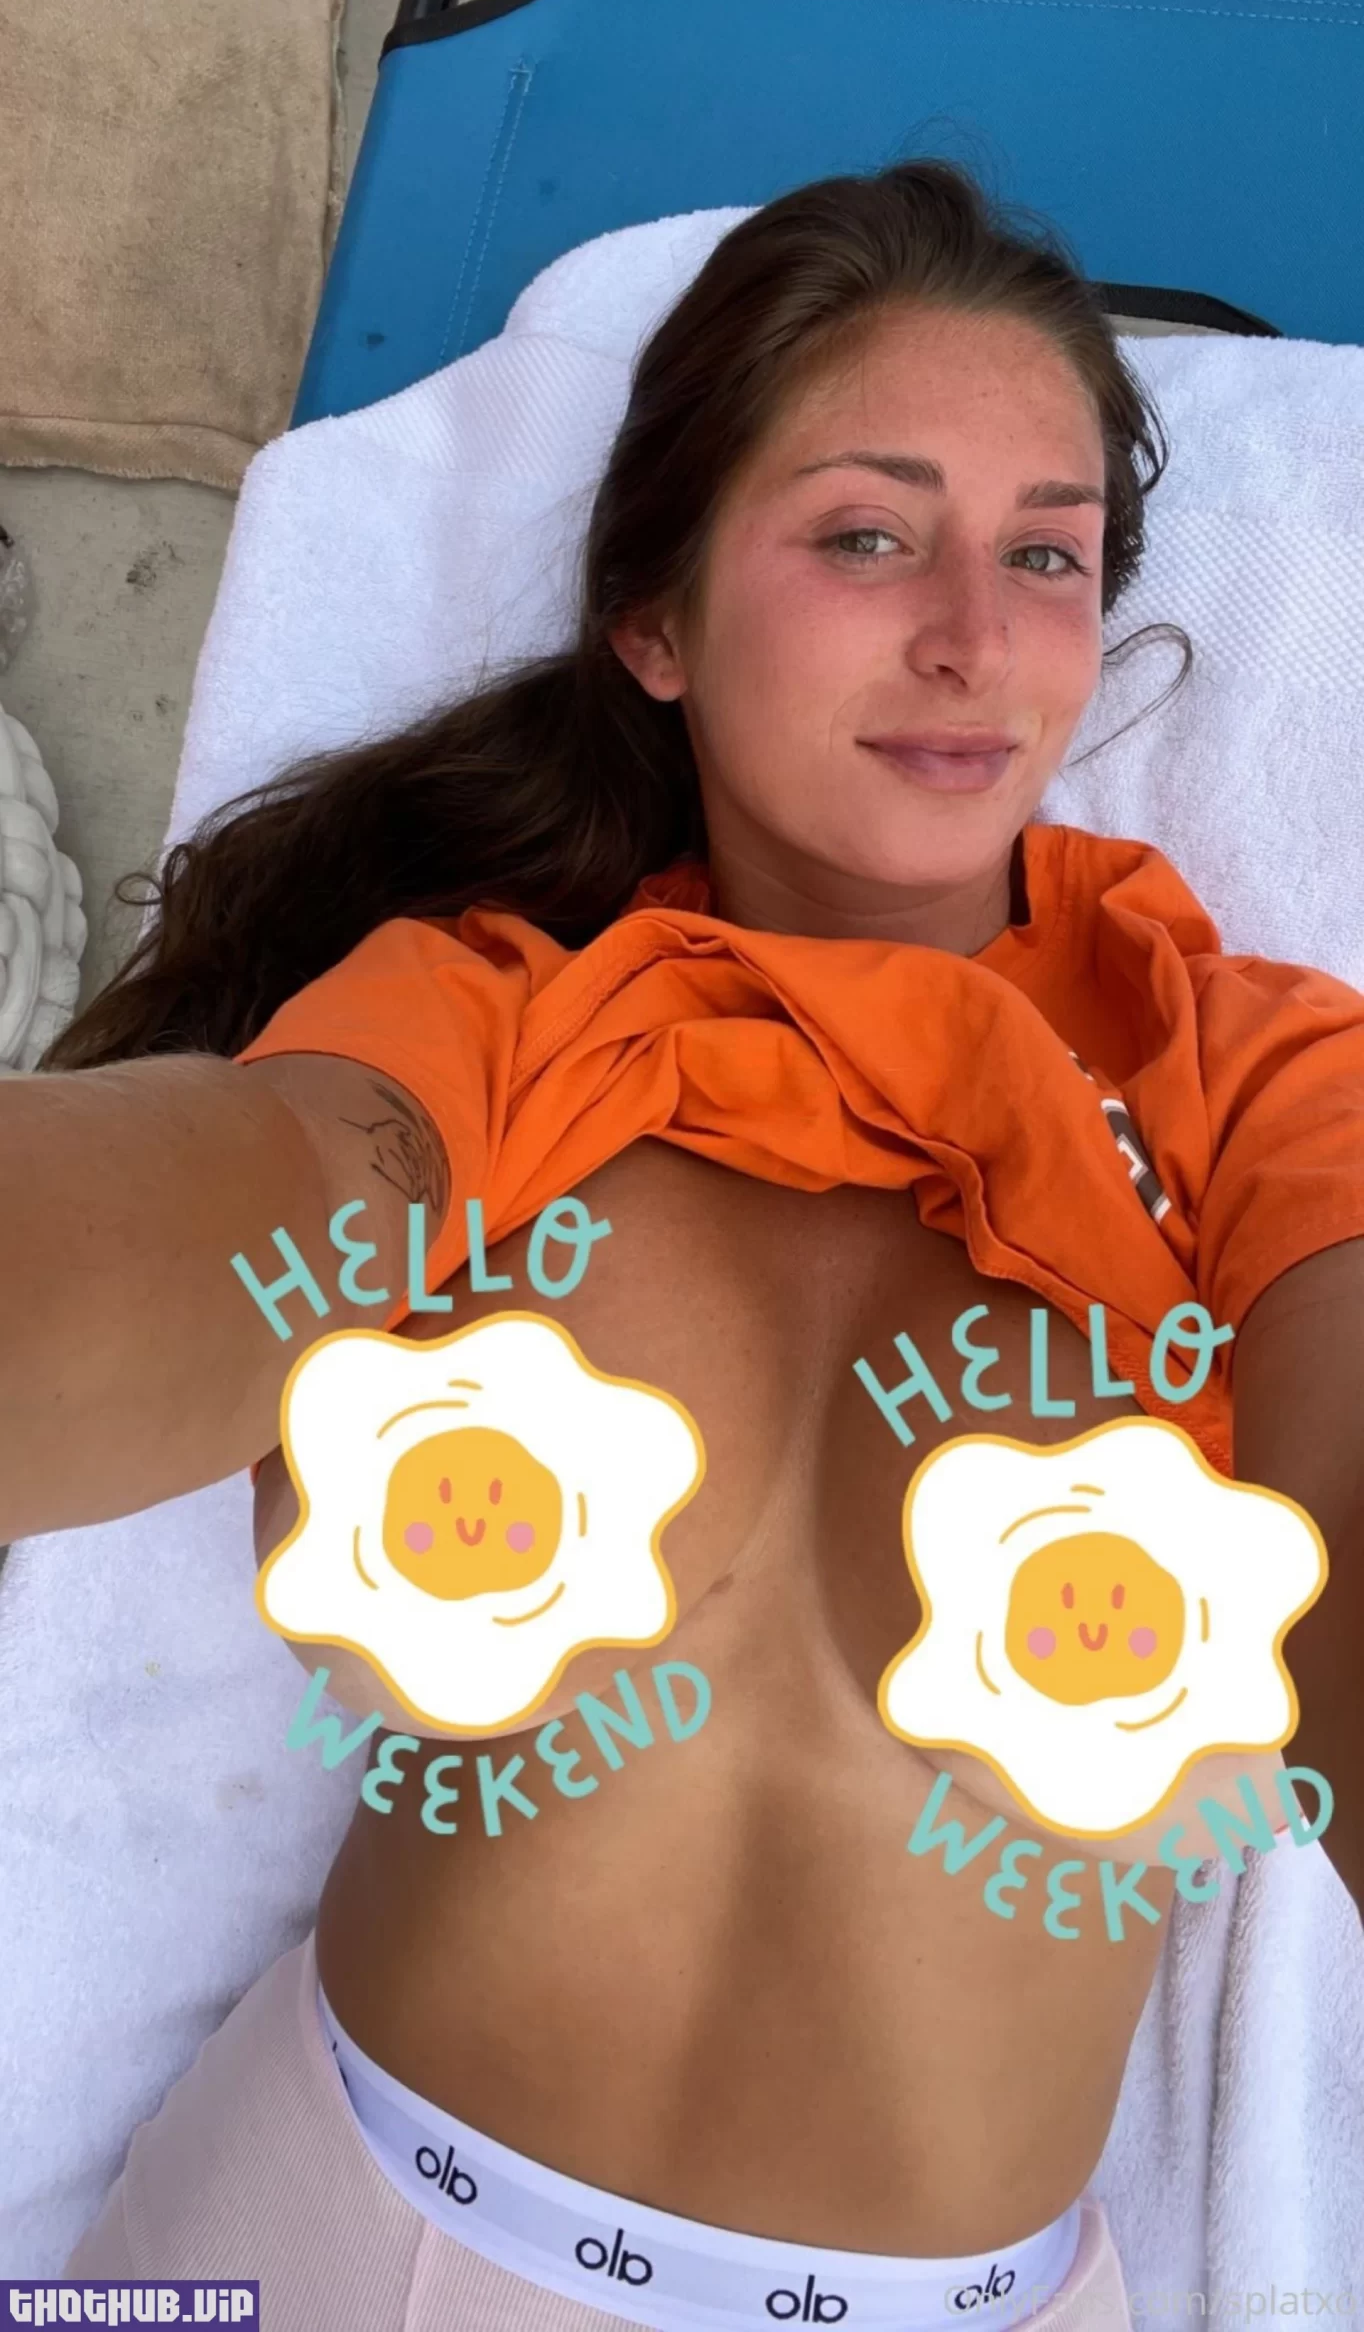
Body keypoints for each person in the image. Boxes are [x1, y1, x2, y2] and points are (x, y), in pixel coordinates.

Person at [14, 160, 1364, 2331]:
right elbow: (251, 1215)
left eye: (1045, 553)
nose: (971, 635)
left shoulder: (1258, 1089)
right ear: (652, 620)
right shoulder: (486, 1025)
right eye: (866, 534)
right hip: (313, 2227)